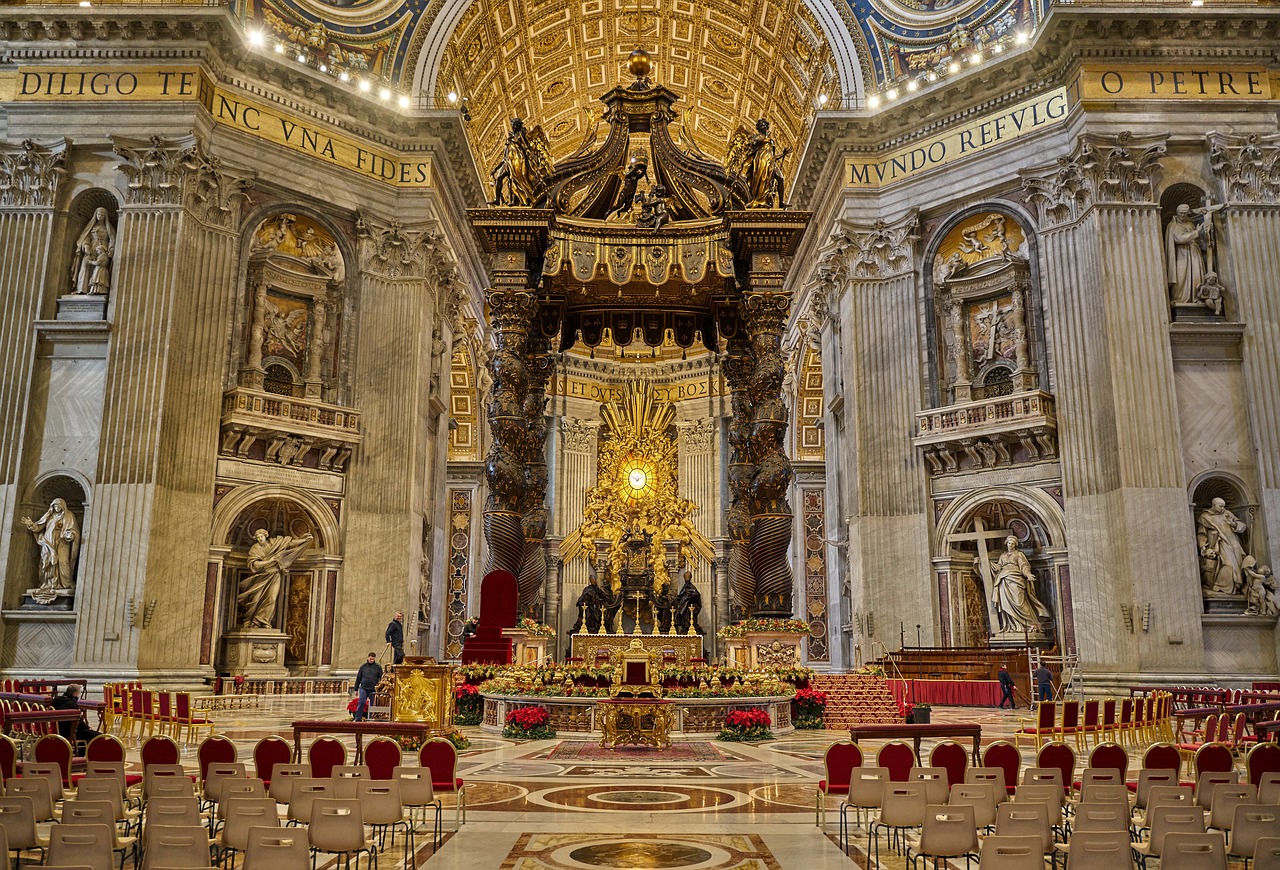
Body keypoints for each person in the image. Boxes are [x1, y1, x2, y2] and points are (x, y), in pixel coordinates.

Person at [236, 528, 312, 628]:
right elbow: (255, 564)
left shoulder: (275, 543)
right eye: (258, 537)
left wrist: (304, 540)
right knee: (256, 600)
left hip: (275, 575)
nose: (260, 539)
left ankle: (263, 621)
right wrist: (270, 561)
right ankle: (253, 621)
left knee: (272, 598)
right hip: (261, 576)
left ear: (266, 535)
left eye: (261, 536)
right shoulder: (255, 548)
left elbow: (289, 543)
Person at [991, 536, 1053, 634]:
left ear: (1015, 545)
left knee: (1019, 602)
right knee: (1006, 604)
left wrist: (1028, 575)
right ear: (1006, 544)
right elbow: (999, 566)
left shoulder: (1019, 554)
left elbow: (1024, 566)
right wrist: (990, 565)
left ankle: (1031, 623)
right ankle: (1013, 626)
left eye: (1012, 543)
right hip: (1003, 581)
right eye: (1009, 543)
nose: (1010, 545)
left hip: (1016, 580)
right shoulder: (1003, 556)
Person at [22, 498, 81, 594]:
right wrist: (31, 524)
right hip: (48, 543)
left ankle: (65, 583)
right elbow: (38, 527)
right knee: (46, 563)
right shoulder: (49, 516)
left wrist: (70, 535)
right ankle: (48, 583)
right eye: (55, 506)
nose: (57, 508)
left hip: (62, 544)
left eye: (58, 506)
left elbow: (73, 530)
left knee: (63, 562)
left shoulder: (69, 516)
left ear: (63, 506)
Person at [1197, 497, 1249, 594]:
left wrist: (1233, 524)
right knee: (1229, 564)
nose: (1222, 508)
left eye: (1223, 506)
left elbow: (1242, 526)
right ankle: (1221, 586)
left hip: (1234, 542)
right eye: (1220, 506)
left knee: (1239, 563)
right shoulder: (1205, 517)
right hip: (1219, 543)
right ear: (1213, 505)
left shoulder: (1227, 513)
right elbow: (1201, 534)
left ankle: (1237, 586)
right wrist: (1204, 547)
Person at [49, 684, 101, 748]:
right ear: (74, 694)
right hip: (68, 732)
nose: (79, 694)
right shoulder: (71, 704)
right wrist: (87, 727)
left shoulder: (57, 700)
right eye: (78, 692)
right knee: (98, 735)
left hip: (57, 729)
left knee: (86, 732)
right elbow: (77, 721)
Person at [353, 652, 382, 722]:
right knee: (362, 701)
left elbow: (381, 678)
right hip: (364, 688)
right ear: (368, 657)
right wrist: (355, 689)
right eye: (370, 659)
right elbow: (358, 678)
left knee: (372, 704)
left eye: (373, 659)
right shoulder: (363, 667)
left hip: (373, 689)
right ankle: (358, 718)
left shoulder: (378, 667)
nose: (371, 660)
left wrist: (380, 688)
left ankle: (371, 718)